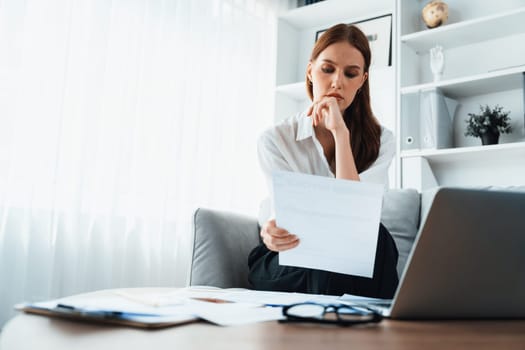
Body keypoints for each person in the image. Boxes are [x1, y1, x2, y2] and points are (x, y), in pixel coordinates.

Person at [248, 24, 399, 298]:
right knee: (328, 249)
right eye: (327, 69)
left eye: (350, 74)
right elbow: (286, 217)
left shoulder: (382, 140)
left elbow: (354, 216)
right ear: (310, 71)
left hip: (350, 253)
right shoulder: (275, 139)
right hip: (287, 256)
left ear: (362, 80)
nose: (337, 82)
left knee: (378, 239)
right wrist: (272, 231)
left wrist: (341, 135)